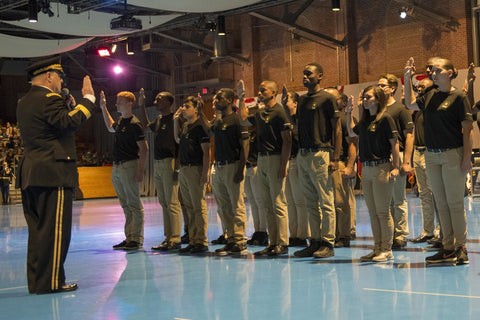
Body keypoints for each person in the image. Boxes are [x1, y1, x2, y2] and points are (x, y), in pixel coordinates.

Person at [16, 57, 96, 294]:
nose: (62, 81)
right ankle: (51, 283)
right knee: (55, 231)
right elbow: (66, 123)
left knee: (39, 232)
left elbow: (50, 127)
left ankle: (39, 282)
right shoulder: (48, 98)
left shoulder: (25, 101)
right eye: (59, 77)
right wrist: (88, 101)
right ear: (49, 76)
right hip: (53, 172)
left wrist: (67, 106)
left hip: (33, 172)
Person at [404, 57, 473, 265]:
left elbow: (468, 130)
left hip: (453, 154)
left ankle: (461, 248)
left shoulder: (459, 97)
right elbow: (409, 104)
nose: (433, 73)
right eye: (432, 71)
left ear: (450, 72)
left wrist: (467, 159)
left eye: (438, 70)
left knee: (454, 203)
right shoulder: (429, 94)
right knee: (441, 204)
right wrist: (407, 78)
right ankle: (447, 247)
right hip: (431, 156)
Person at [293, 62, 342, 258]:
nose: (305, 77)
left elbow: (337, 129)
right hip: (303, 154)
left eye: (309, 74)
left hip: (321, 153)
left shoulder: (328, 99)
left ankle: (328, 243)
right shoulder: (302, 100)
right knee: (310, 201)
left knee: (325, 200)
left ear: (320, 76)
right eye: (303, 74)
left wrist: (336, 157)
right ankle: (314, 241)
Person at [346, 86, 400, 262]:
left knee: (383, 212)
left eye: (368, 97)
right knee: (373, 212)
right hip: (367, 169)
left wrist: (396, 166)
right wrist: (348, 113)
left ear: (377, 99)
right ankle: (377, 248)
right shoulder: (364, 121)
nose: (364, 100)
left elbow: (394, 144)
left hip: (382, 167)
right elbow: (351, 131)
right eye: (364, 97)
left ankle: (387, 249)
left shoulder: (386, 118)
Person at [239, 80, 292, 256]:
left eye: (263, 90)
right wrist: (241, 98)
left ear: (273, 92)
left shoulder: (279, 112)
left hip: (275, 158)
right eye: (259, 90)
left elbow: (287, 140)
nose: (260, 93)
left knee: (278, 202)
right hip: (261, 159)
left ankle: (283, 243)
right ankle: (273, 242)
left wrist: (283, 165)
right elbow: (243, 120)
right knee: (266, 203)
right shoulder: (260, 112)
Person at [199, 88, 249, 255]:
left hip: (232, 165)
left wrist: (241, 168)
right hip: (218, 167)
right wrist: (201, 112)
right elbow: (209, 131)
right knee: (223, 206)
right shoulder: (218, 120)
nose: (215, 101)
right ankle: (231, 238)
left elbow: (245, 146)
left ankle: (240, 240)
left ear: (229, 100)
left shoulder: (236, 119)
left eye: (218, 98)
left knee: (236, 204)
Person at [100, 90, 149, 250]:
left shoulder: (135, 124)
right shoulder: (121, 121)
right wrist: (103, 108)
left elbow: (144, 149)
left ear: (129, 104)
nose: (116, 104)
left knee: (134, 204)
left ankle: (137, 239)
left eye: (119, 101)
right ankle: (129, 237)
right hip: (118, 166)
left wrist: (140, 171)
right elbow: (110, 126)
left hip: (130, 165)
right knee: (125, 204)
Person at [138, 89, 182, 251]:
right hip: (158, 163)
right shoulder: (158, 120)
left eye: (159, 100)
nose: (155, 102)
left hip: (170, 163)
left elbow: (180, 145)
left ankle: (176, 238)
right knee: (163, 202)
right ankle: (168, 237)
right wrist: (141, 106)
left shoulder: (176, 120)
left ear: (168, 103)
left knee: (172, 202)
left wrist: (177, 169)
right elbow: (145, 126)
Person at [377, 74, 413, 250]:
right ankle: (389, 233)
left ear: (392, 88)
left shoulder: (400, 109)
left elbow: (409, 136)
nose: (380, 88)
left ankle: (400, 234)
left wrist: (405, 161)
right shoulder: (377, 109)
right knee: (385, 200)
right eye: (378, 85)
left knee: (398, 199)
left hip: (395, 156)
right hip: (380, 159)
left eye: (383, 85)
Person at [174, 95, 211, 253]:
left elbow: (206, 152)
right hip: (184, 169)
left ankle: (201, 241)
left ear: (196, 109)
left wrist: (204, 173)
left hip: (196, 169)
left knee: (198, 206)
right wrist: (176, 121)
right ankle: (193, 238)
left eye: (187, 106)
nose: (183, 108)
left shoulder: (200, 127)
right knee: (189, 207)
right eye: (183, 105)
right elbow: (177, 140)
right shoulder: (185, 126)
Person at [323, 87, 357, 248]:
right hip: (323, 163)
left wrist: (349, 166)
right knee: (326, 202)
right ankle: (331, 234)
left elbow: (352, 144)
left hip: (339, 164)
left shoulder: (343, 119)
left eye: (331, 97)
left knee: (340, 202)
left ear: (338, 100)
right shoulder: (323, 119)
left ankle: (344, 235)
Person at [281, 87, 310, 247]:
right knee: (290, 201)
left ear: (295, 103)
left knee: (300, 200)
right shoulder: (285, 120)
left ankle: (303, 234)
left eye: (288, 101)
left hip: (299, 159)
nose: (285, 104)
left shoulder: (299, 119)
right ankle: (294, 234)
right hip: (288, 160)